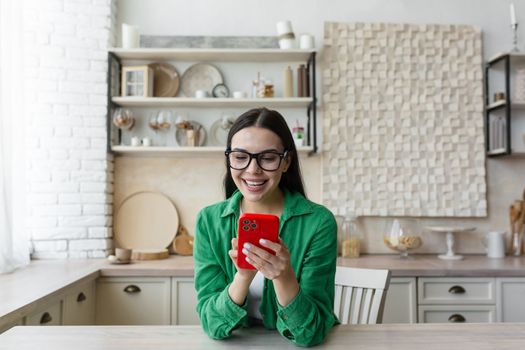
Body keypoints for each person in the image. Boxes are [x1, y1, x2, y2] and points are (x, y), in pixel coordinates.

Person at [193, 107, 338, 347]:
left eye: (268, 158)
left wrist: (284, 277)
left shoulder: (318, 222)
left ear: (286, 161)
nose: (252, 170)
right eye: (240, 157)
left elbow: (311, 332)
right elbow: (212, 324)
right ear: (229, 159)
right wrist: (242, 277)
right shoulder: (209, 221)